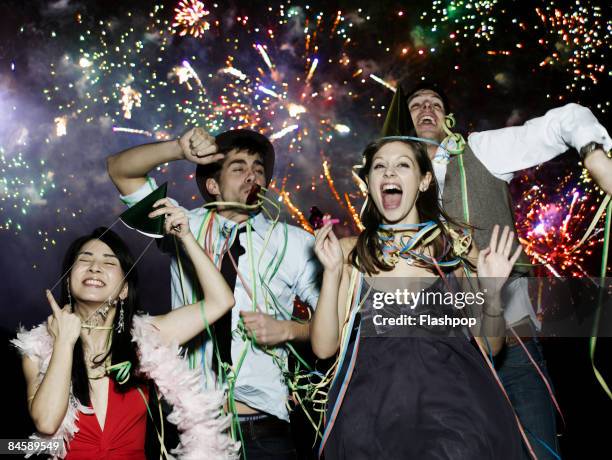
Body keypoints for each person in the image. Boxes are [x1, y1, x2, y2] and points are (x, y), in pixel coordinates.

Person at [404, 82, 612, 458]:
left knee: (540, 453)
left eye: (434, 102)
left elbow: (562, 120)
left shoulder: (480, 150)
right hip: (446, 362)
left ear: (446, 116)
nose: (425, 108)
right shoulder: (396, 182)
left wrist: (596, 157)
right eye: (416, 104)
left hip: (513, 351)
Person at [107, 128, 320, 458]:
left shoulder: (296, 242)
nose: (252, 175)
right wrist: (178, 147)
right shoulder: (181, 225)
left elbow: (338, 327)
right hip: (195, 427)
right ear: (212, 185)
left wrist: (289, 330)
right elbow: (120, 169)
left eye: (259, 169)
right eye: (238, 168)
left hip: (264, 427)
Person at [312, 137, 525, 459]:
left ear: (425, 181)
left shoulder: (453, 250)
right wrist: (330, 273)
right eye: (379, 167)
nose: (389, 173)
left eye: (403, 165)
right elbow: (325, 347)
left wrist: (492, 291)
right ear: (368, 182)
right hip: (370, 424)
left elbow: (491, 347)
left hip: (456, 424)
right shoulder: (349, 253)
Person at [12, 203, 239, 459]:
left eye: (109, 263)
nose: (95, 267)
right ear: (68, 280)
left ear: (124, 290)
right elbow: (46, 424)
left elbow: (221, 301)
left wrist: (185, 236)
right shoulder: (37, 349)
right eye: (85, 260)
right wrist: (64, 342)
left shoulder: (148, 337)